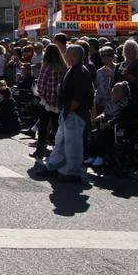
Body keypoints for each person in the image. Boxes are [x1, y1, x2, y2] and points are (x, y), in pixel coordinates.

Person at [36, 45, 93, 183]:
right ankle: (54, 166)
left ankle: (72, 172)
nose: (65, 55)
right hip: (67, 111)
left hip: (75, 113)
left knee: (73, 144)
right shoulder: (73, 69)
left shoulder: (80, 71)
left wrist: (69, 111)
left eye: (67, 53)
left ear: (74, 56)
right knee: (60, 141)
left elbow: (78, 97)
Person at [32, 44, 67, 159]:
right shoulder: (63, 66)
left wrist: (39, 93)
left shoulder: (46, 65)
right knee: (58, 128)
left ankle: (40, 151)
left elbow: (41, 85)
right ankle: (59, 153)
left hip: (47, 101)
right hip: (59, 101)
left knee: (43, 127)